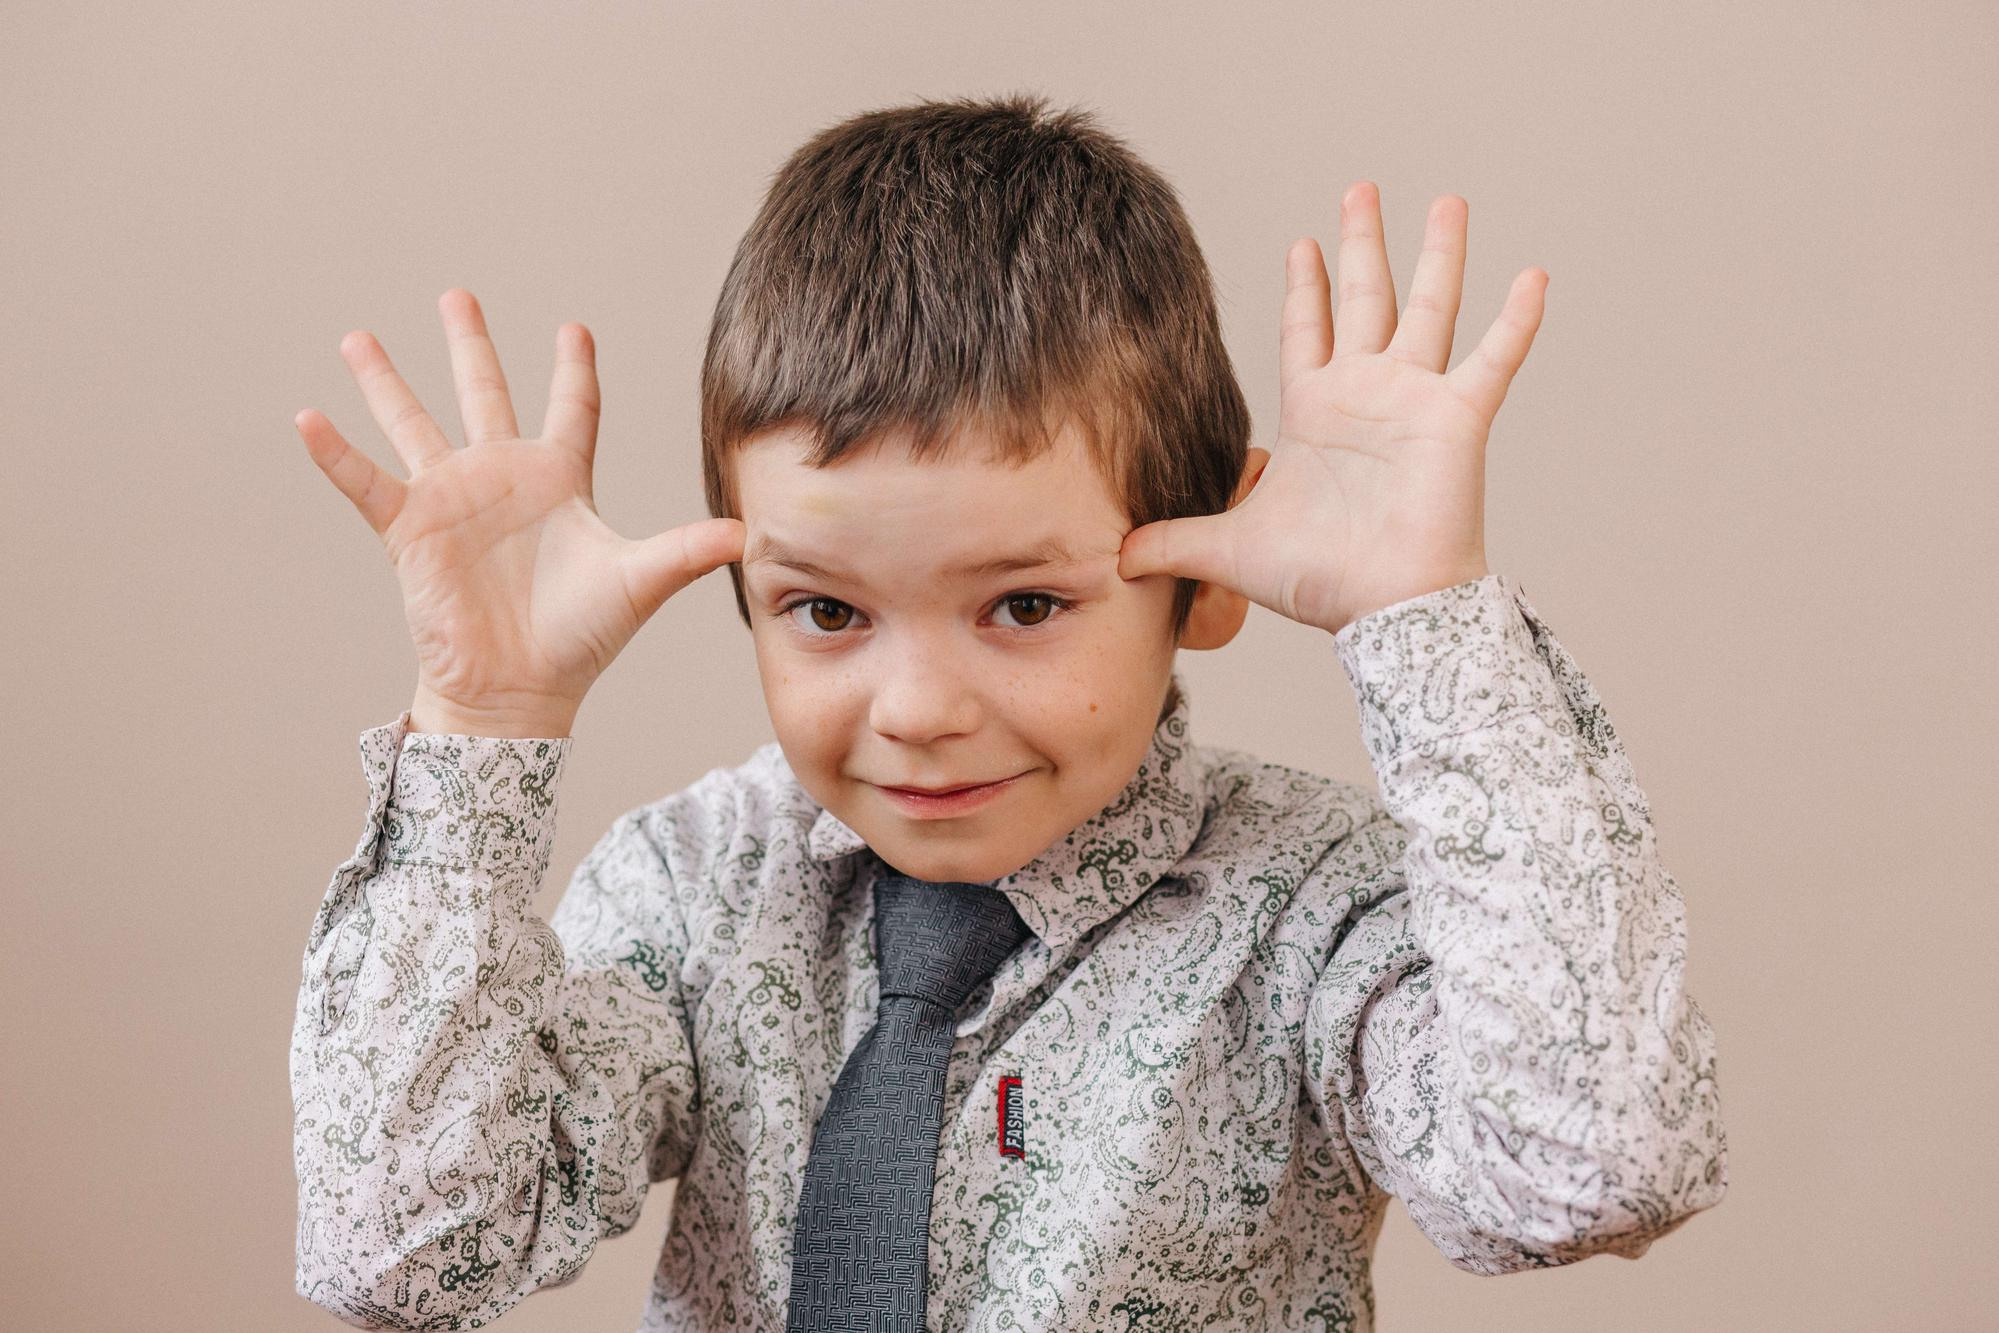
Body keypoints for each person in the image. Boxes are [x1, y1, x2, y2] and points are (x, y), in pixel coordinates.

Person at [287, 93, 1728, 1331]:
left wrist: (1431, 628)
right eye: (827, 610)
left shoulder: (1306, 914)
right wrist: (483, 731)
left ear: (1202, 574)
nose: (915, 709)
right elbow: (405, 1252)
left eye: (1024, 606)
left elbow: (1590, 1166)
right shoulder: (695, 893)